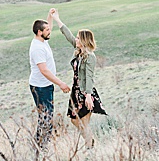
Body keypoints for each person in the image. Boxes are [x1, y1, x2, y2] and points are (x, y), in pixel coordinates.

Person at [49, 8, 106, 145]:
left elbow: (89, 77)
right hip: (75, 91)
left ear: (84, 40)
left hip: (85, 92)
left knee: (84, 122)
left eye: (78, 38)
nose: (76, 39)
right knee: (75, 120)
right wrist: (57, 19)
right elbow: (67, 35)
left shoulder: (90, 57)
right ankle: (90, 141)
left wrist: (87, 95)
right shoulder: (79, 51)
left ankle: (89, 146)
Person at [28, 16, 70, 149]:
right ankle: (41, 146)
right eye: (46, 30)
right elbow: (44, 71)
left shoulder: (42, 41)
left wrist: (50, 16)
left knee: (47, 116)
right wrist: (61, 83)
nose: (49, 31)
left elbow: (48, 27)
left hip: (46, 86)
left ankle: (41, 144)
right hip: (40, 87)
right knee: (46, 117)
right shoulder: (37, 48)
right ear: (40, 32)